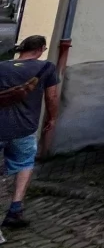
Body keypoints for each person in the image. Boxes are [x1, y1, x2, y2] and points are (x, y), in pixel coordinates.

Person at [0, 35, 59, 228]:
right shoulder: (46, 68)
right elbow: (52, 97)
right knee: (24, 164)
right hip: (24, 128)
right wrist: (52, 118)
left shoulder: (2, 66)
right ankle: (15, 210)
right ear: (40, 49)